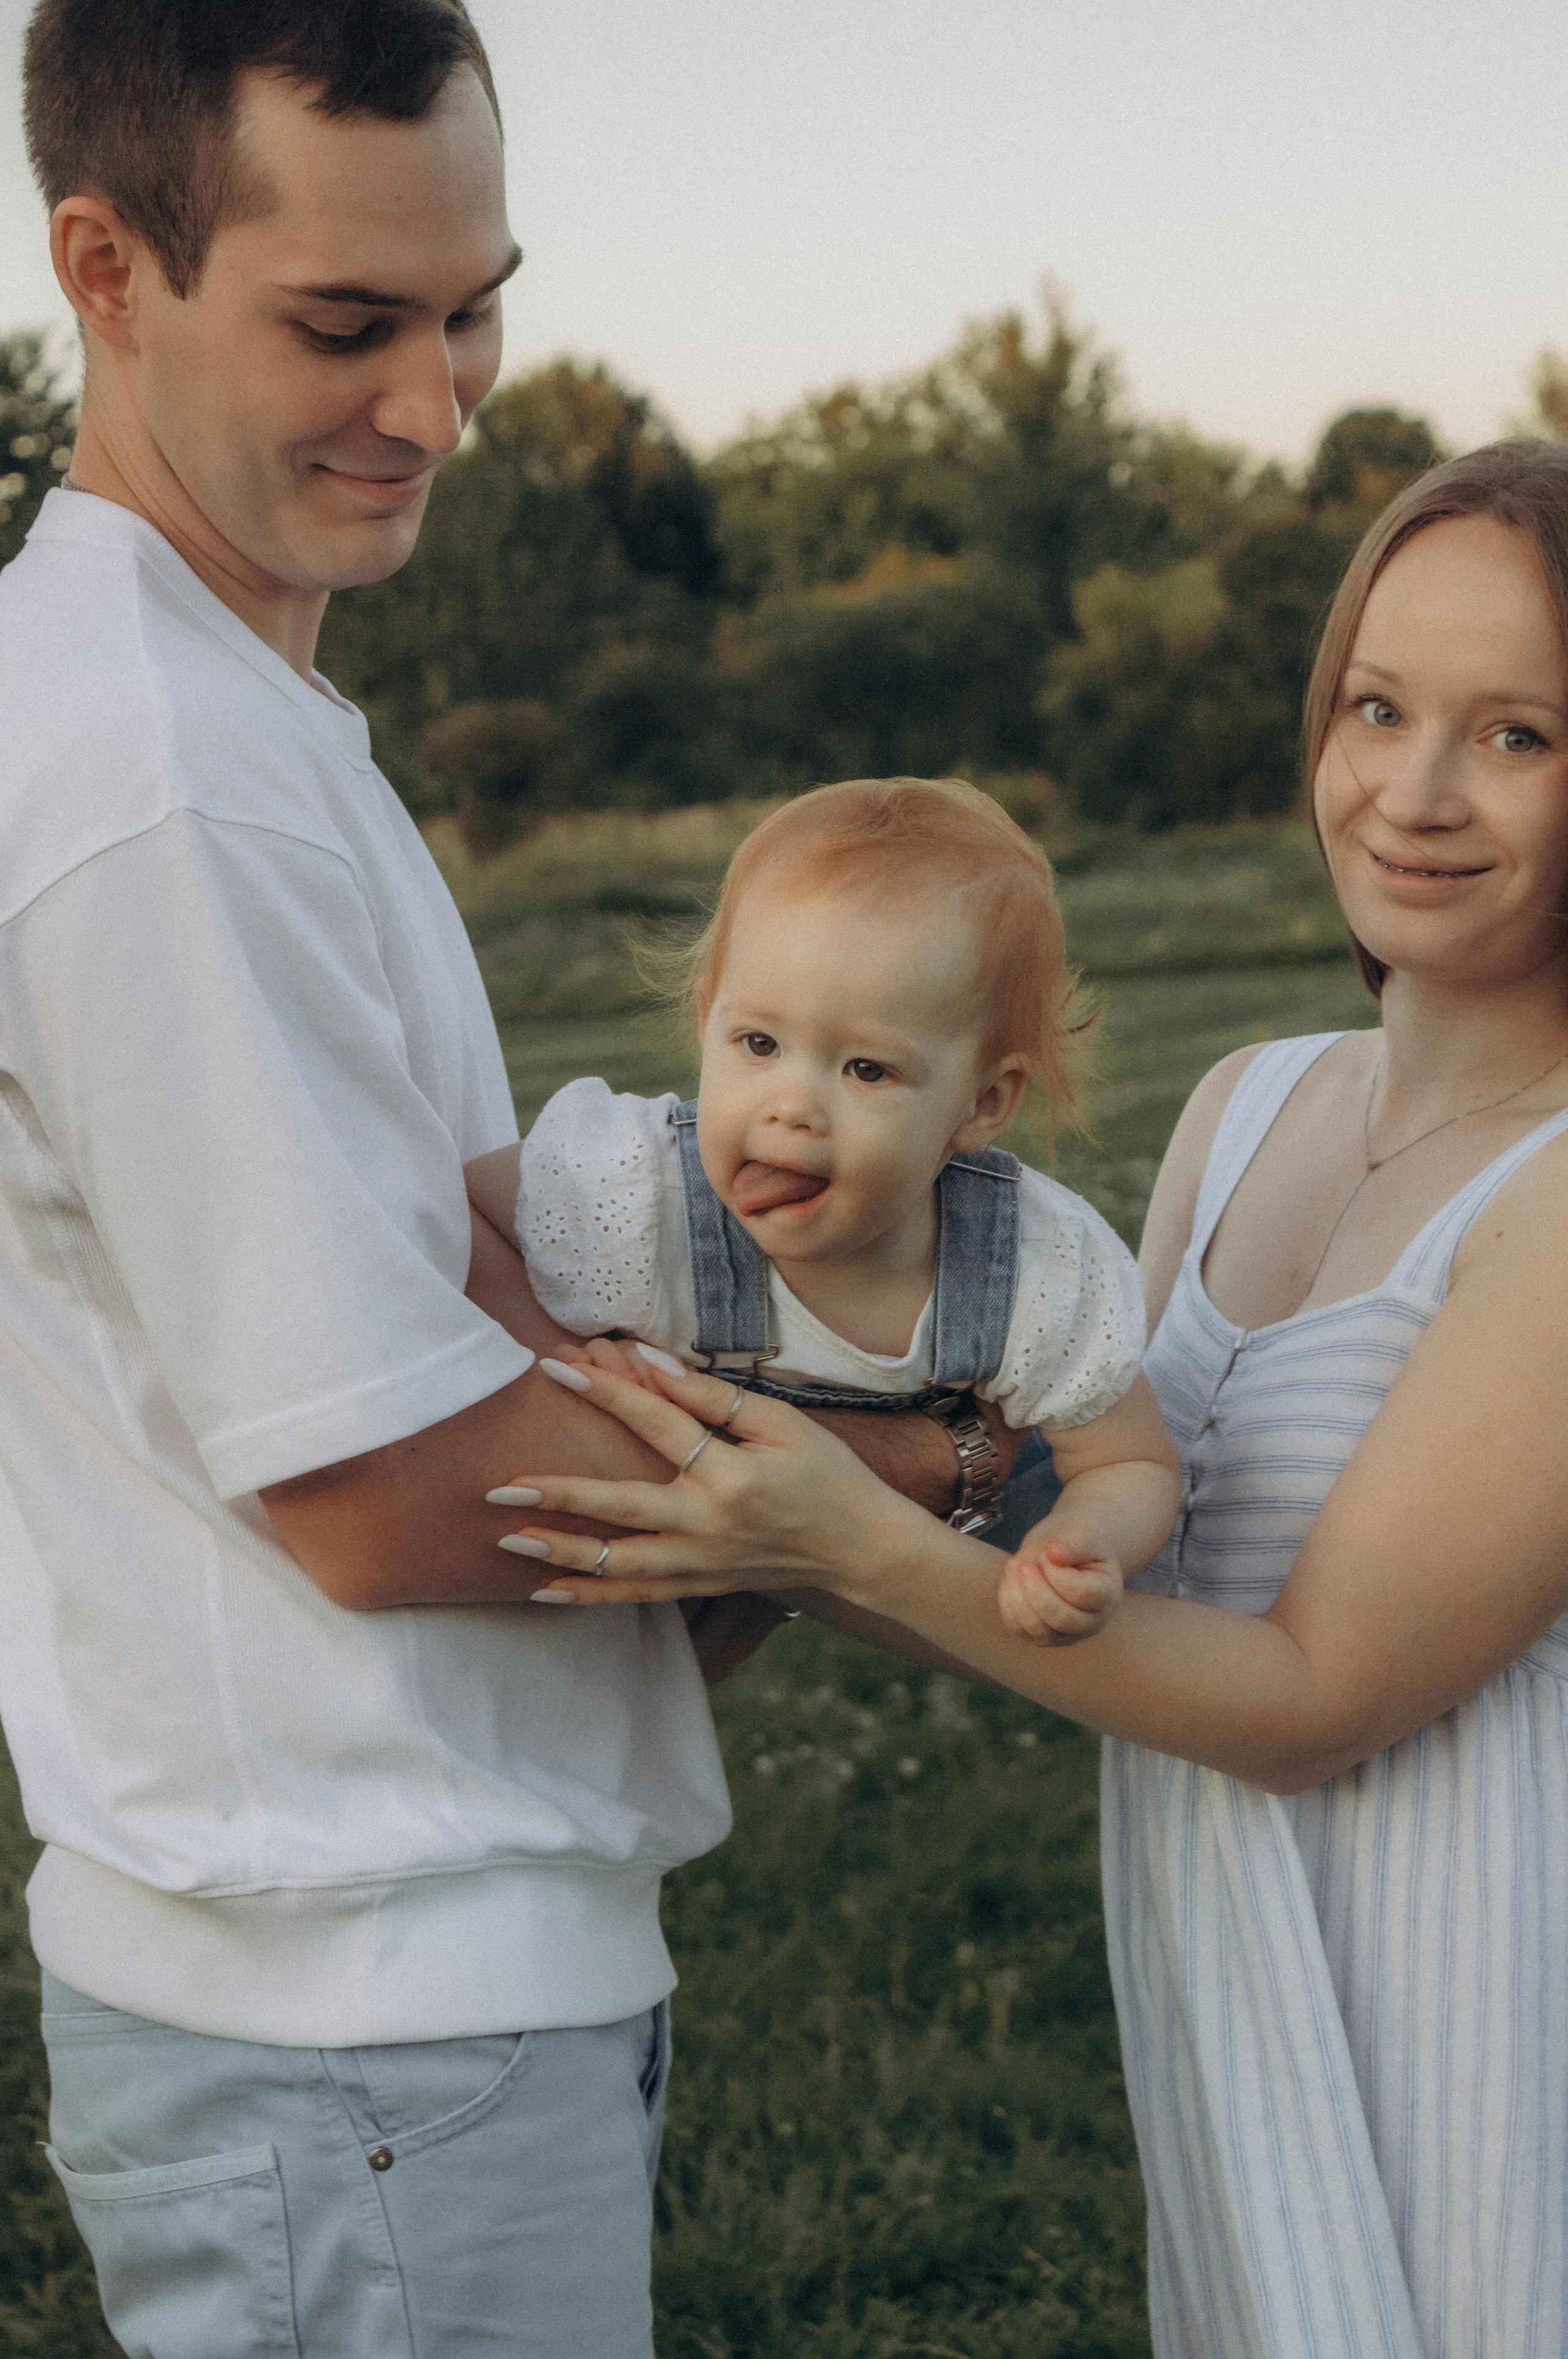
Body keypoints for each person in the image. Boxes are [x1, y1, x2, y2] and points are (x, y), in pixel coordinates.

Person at [4, 6, 985, 2352]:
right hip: (355, 2037)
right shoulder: (156, 777)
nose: (440, 405)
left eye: (472, 307)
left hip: (391, 2029)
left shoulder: (228, 712)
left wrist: (622, 1376)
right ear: (108, 267)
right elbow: (392, 1477)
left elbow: (512, 1328)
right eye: (349, 324)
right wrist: (951, 1460)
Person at [490, 439, 1568, 2358]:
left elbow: (1317, 1699)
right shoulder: (1248, 1106)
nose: (1409, 790)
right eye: (1377, 706)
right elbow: (1072, 1557)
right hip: (1232, 1964)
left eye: (1517, 737)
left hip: (1478, 1995)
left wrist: (846, 1528)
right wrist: (766, 1468)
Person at [465, 776, 1178, 1645]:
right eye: (758, 1045)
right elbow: (452, 1222)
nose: (793, 1105)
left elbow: (1128, 1459)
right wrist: (574, 1360)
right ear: (705, 1024)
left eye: (867, 1070)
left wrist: (1083, 1541)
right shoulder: (637, 1191)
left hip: (806, 1568)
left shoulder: (1031, 1270)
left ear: (982, 1104)